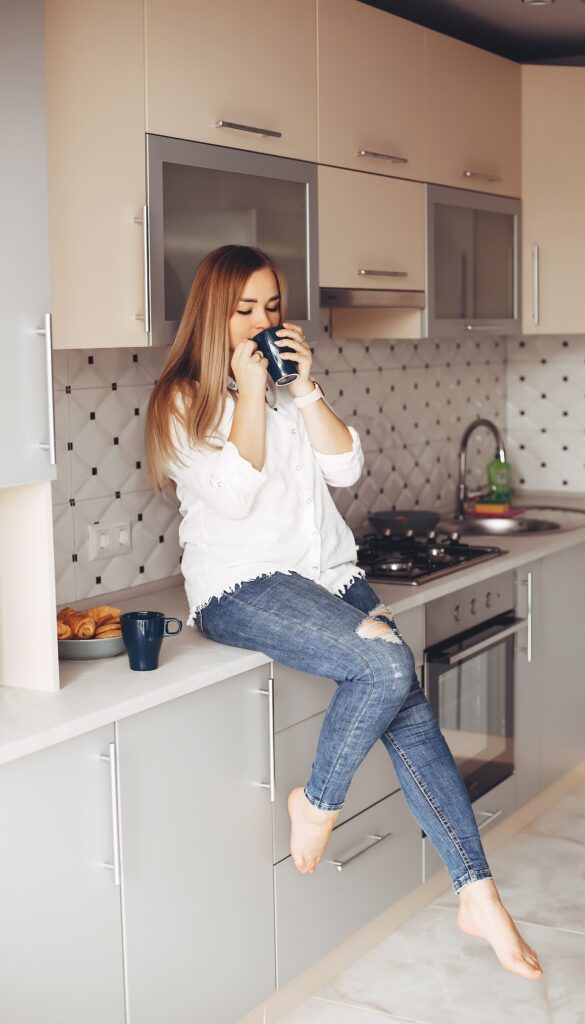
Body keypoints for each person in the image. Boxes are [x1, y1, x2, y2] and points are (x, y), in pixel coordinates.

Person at [146, 244, 543, 981]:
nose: (263, 323)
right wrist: (243, 387)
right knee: (385, 660)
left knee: (408, 707)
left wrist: (301, 391)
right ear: (212, 314)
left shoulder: (284, 394)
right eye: (245, 312)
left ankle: (476, 892)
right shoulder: (181, 400)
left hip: (327, 578)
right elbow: (234, 491)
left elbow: (346, 468)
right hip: (242, 589)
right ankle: (318, 802)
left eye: (272, 307)